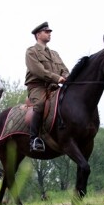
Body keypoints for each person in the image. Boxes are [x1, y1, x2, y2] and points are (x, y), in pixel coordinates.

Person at [25, 22, 69, 152]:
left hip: (54, 86)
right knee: (39, 104)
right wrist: (57, 78)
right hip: (37, 87)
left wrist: (67, 77)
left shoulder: (55, 54)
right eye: (46, 32)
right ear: (38, 34)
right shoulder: (31, 52)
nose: (49, 34)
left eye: (50, 32)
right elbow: (37, 70)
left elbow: (64, 69)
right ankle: (34, 139)